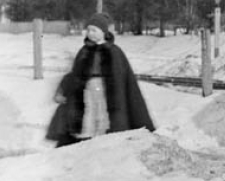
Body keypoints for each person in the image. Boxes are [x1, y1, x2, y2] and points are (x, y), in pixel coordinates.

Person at [47, 12, 155, 147]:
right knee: (89, 112)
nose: (90, 33)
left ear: (104, 32)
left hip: (107, 91)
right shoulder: (84, 51)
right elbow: (75, 74)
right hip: (88, 89)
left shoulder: (115, 52)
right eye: (88, 30)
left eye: (94, 30)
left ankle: (103, 137)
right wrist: (63, 89)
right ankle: (88, 138)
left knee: (104, 114)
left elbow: (125, 79)